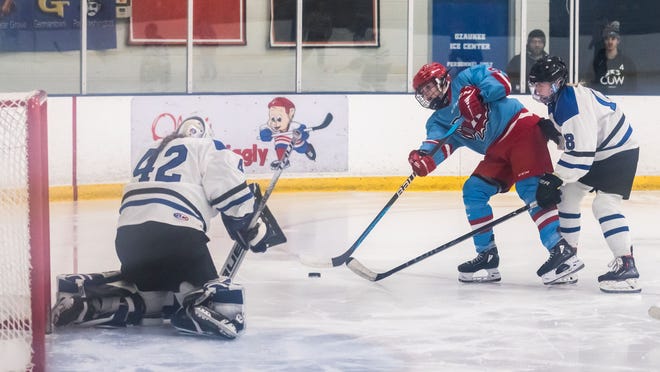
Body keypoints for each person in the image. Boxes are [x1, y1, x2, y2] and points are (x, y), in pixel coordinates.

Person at [51, 116, 283, 338]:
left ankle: (96, 303)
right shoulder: (207, 146)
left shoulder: (152, 151)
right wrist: (251, 225)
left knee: (153, 302)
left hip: (128, 241)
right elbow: (228, 189)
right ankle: (196, 305)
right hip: (178, 237)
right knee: (215, 300)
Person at [409, 62, 584, 285]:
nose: (427, 94)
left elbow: (503, 83)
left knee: (531, 189)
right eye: (423, 92)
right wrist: (423, 160)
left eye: (429, 87)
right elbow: (435, 147)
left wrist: (479, 95)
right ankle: (487, 254)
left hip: (520, 130)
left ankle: (561, 250)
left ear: (443, 80)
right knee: (473, 190)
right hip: (497, 151)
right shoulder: (436, 121)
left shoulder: (468, 77)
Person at [529, 56, 641, 293]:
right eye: (535, 83)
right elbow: (576, 143)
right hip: (598, 152)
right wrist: (556, 135)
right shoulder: (559, 101)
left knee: (605, 205)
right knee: (568, 196)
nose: (537, 88)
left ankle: (627, 265)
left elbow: (581, 154)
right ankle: (568, 258)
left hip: (619, 152)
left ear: (558, 83)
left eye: (542, 83)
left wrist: (555, 177)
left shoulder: (572, 104)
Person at [591, 21, 637, 94]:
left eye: (613, 39)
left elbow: (633, 87)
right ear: (604, 41)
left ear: (618, 41)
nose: (610, 42)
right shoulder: (597, 63)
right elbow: (591, 85)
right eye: (607, 39)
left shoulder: (627, 63)